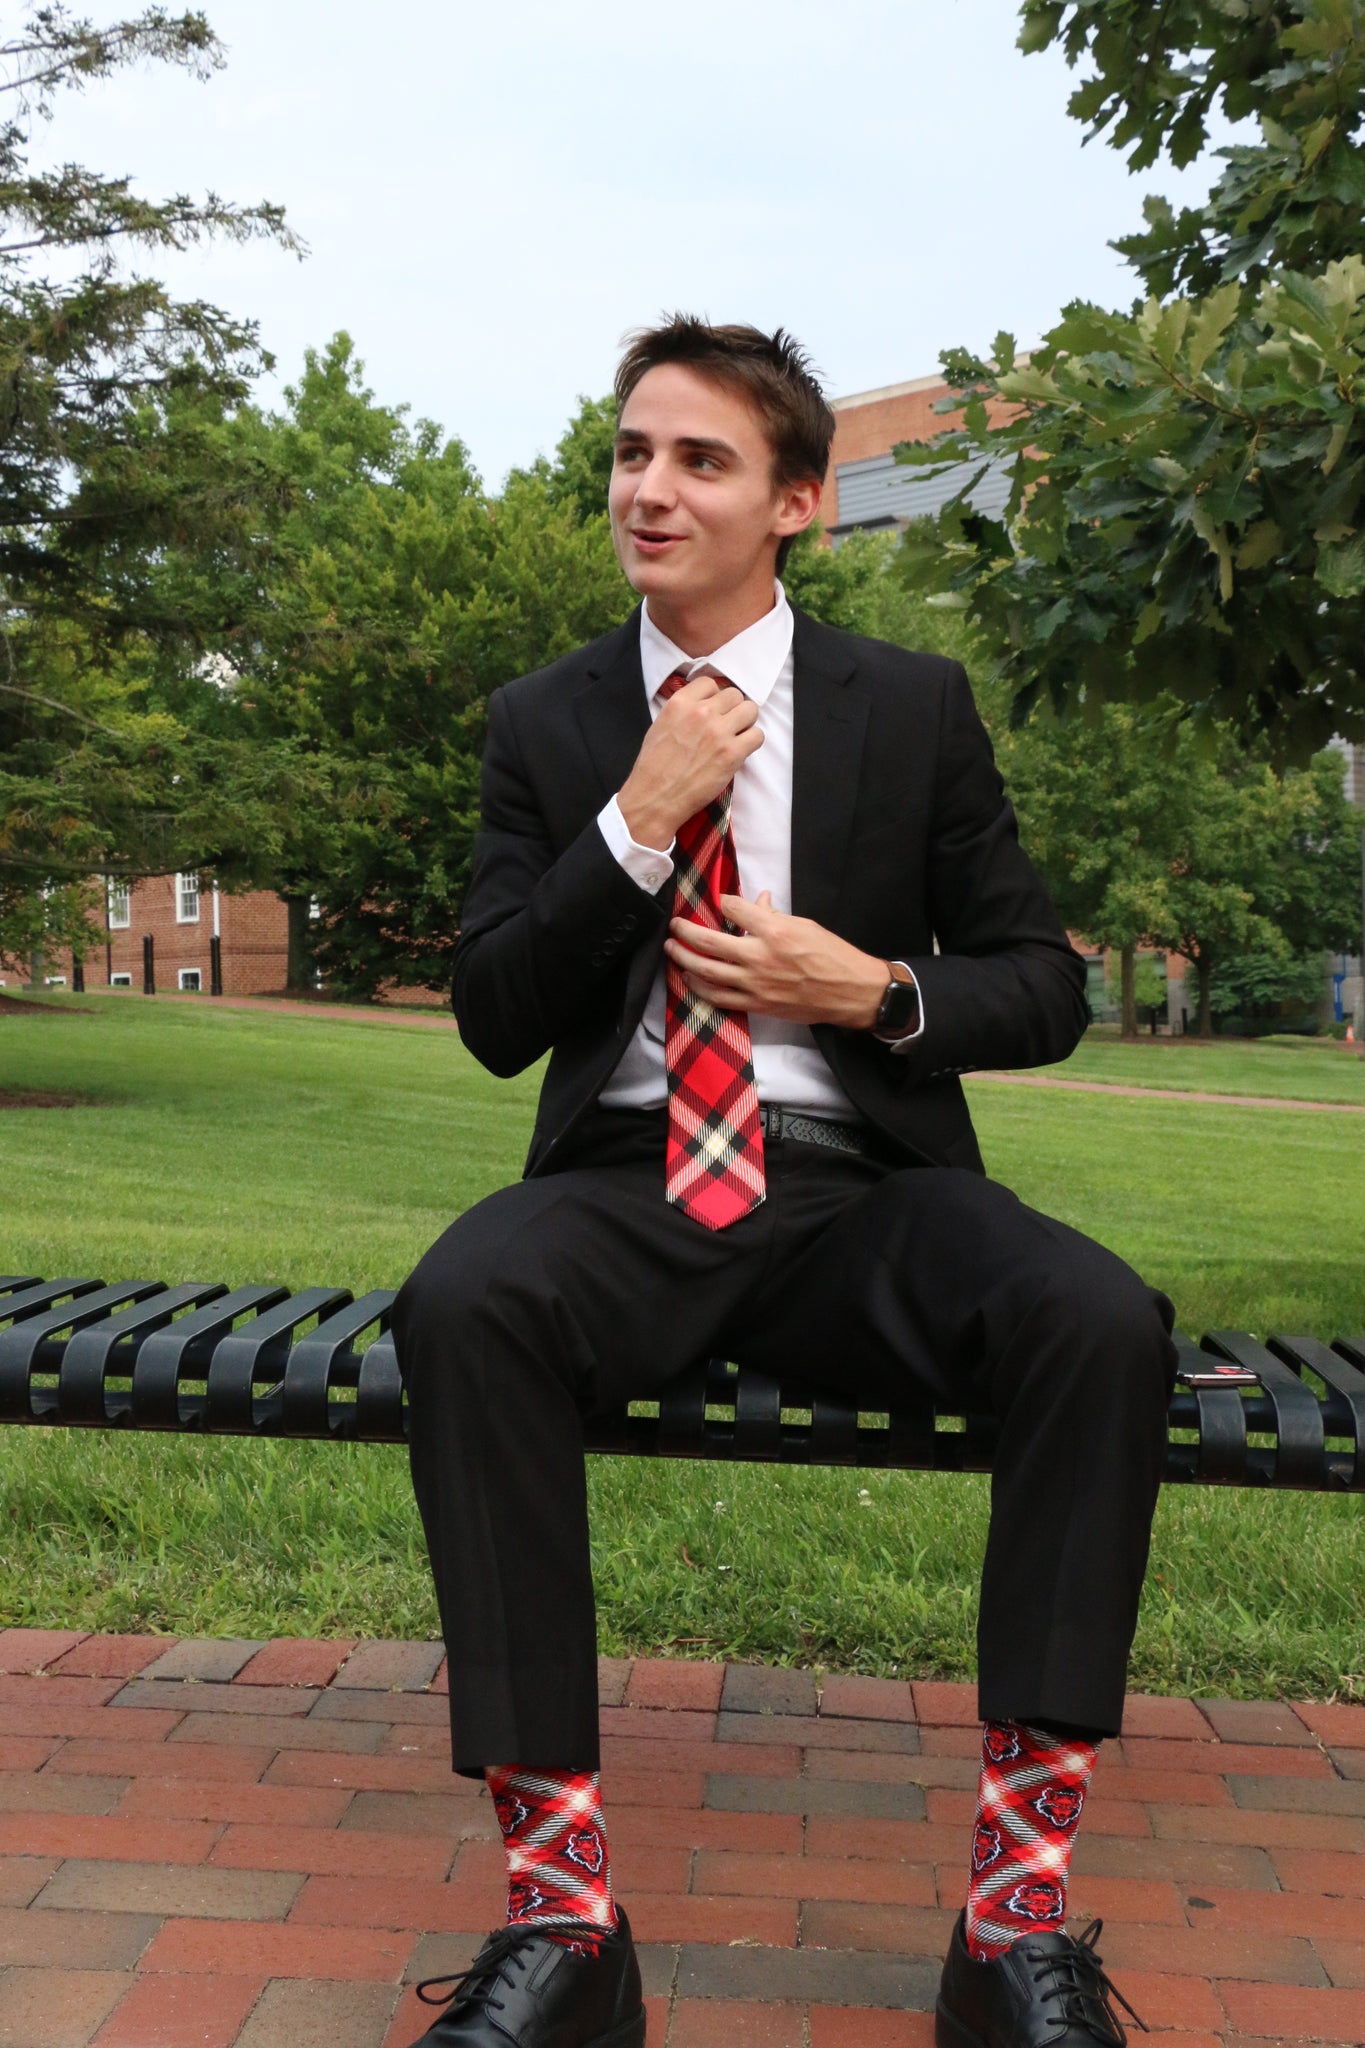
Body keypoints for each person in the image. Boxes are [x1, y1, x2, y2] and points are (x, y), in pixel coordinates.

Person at [392, 316, 1176, 2048]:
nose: (648, 489)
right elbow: (495, 1017)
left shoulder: (912, 707)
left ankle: (1012, 1924)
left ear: (797, 503)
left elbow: (1039, 984)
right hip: (627, 1184)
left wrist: (871, 990)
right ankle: (564, 1924)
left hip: (861, 1188)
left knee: (1096, 1319)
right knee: (464, 1298)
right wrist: (632, 823)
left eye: (701, 459)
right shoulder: (547, 720)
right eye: (630, 452)